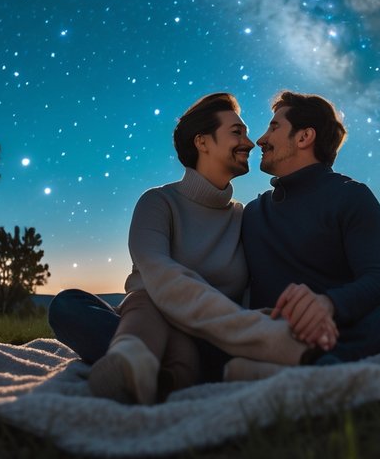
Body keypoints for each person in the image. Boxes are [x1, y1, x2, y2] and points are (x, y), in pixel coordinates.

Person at [48, 92, 315, 404]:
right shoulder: (158, 203)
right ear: (202, 142)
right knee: (70, 305)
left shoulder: (243, 217)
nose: (250, 142)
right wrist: (259, 332)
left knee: (150, 308)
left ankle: (142, 364)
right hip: (155, 318)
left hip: (212, 336)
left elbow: (250, 290)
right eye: (236, 132)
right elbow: (161, 276)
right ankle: (183, 373)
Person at [237, 90, 380, 368]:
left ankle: (334, 359)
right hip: (279, 339)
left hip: (346, 332)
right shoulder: (252, 213)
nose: (261, 139)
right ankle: (336, 360)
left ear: (304, 137)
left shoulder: (352, 197)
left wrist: (328, 304)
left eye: (273, 128)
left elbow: (377, 281)